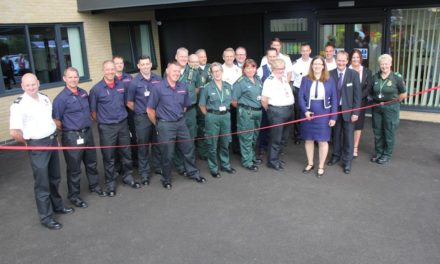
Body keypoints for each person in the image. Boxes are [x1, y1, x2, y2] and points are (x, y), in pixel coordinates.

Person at [10, 73, 74, 230]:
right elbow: (14, 132)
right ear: (22, 87)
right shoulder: (19, 104)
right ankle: (46, 217)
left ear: (38, 83)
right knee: (42, 182)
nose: (31, 87)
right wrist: (29, 142)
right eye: (28, 85)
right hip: (37, 145)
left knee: (55, 177)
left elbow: (50, 120)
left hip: (51, 141)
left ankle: (58, 207)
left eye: (33, 84)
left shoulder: (45, 98)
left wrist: (54, 137)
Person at [147, 61, 206, 189]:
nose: (176, 74)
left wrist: (177, 117)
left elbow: (185, 106)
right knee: (167, 154)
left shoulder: (182, 86)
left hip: (180, 123)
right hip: (165, 125)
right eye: (174, 71)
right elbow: (150, 110)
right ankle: (166, 179)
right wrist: (158, 124)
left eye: (178, 72)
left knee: (188, 149)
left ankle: (193, 173)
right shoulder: (158, 88)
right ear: (167, 71)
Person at [52, 67, 107, 209]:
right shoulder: (60, 99)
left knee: (91, 162)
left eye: (75, 77)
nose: (73, 80)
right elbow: (56, 120)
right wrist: (68, 130)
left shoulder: (83, 93)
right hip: (71, 136)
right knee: (74, 168)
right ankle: (74, 196)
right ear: (64, 79)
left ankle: (94, 186)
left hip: (87, 133)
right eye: (70, 77)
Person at [89, 60, 141, 197]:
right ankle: (110, 183)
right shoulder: (96, 89)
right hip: (106, 127)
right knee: (109, 156)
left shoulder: (121, 85)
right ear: (103, 70)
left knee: (126, 152)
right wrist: (103, 122)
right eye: (108, 69)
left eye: (112, 69)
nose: (111, 71)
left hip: (122, 124)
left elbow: (126, 103)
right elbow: (93, 112)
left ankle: (128, 176)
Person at [298, 56, 338, 177]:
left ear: (323, 66)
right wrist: (305, 111)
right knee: (308, 139)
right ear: (312, 66)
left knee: (322, 140)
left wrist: (333, 117)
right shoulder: (305, 79)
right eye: (314, 64)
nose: (317, 66)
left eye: (319, 64)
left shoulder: (330, 79)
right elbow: (300, 96)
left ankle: (321, 165)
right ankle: (310, 163)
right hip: (309, 113)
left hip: (324, 113)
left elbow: (335, 99)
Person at [127, 55, 162, 186]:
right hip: (142, 118)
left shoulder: (158, 79)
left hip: (157, 115)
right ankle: (144, 173)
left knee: (157, 143)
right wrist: (141, 110)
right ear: (138, 66)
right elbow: (129, 103)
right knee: (143, 145)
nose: (146, 66)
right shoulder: (134, 82)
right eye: (143, 64)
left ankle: (158, 167)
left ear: (151, 64)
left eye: (147, 64)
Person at [198, 62, 236, 178]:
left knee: (225, 142)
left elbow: (231, 101)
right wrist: (209, 116)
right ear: (211, 74)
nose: (216, 73)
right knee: (212, 143)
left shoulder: (228, 86)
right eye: (214, 71)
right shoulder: (207, 87)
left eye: (218, 71)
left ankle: (225, 164)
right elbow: (202, 105)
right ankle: (214, 168)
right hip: (212, 117)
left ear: (222, 71)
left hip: (225, 116)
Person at [327, 51, 361, 174]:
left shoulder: (354, 74)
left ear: (347, 61)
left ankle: (347, 161)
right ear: (336, 61)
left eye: (343, 60)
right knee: (336, 134)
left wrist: (356, 112)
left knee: (348, 137)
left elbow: (357, 95)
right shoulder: (330, 74)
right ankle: (335, 155)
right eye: (339, 60)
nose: (341, 63)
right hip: (334, 111)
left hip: (349, 111)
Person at [370, 54, 407, 164]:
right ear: (379, 65)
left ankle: (387, 154)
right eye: (382, 64)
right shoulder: (375, 77)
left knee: (389, 131)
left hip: (391, 108)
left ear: (390, 64)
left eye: (386, 64)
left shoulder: (396, 77)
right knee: (377, 131)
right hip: (377, 108)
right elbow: (372, 92)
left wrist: (393, 102)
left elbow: (403, 94)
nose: (384, 66)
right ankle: (379, 152)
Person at [261, 59, 295, 171]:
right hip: (277, 112)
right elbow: (264, 100)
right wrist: (271, 111)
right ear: (272, 69)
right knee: (276, 138)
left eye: (283, 68)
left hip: (288, 111)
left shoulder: (284, 78)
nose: (281, 71)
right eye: (279, 69)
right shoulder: (269, 81)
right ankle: (272, 161)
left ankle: (277, 157)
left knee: (284, 138)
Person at [173, 48, 203, 174]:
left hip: (190, 111)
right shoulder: (171, 71)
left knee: (190, 138)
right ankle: (179, 166)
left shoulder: (193, 71)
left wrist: (188, 100)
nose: (184, 59)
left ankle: (189, 164)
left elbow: (196, 89)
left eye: (186, 56)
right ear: (176, 56)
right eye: (181, 56)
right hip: (176, 113)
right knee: (177, 138)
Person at [232, 59, 263, 172]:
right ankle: (247, 162)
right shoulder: (240, 82)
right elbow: (234, 101)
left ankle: (252, 157)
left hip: (258, 112)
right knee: (246, 137)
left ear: (256, 68)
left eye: (253, 67)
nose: (250, 70)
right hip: (246, 113)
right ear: (244, 69)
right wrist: (244, 109)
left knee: (254, 136)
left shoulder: (258, 80)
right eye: (248, 67)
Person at [113, 56, 138, 169]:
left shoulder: (129, 78)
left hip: (130, 111)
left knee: (133, 135)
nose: (119, 65)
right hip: (117, 112)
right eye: (117, 63)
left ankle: (135, 160)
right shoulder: (110, 79)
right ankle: (119, 164)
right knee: (118, 138)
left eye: (121, 63)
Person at [349, 49, 373, 158]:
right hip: (347, 102)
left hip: (361, 103)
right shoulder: (346, 70)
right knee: (347, 125)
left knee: (358, 126)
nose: (355, 59)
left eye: (357, 57)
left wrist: (358, 98)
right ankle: (347, 146)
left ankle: (355, 148)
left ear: (361, 59)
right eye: (353, 57)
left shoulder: (367, 72)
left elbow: (368, 88)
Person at [256, 48, 278, 156]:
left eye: (274, 56)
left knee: (275, 127)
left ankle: (273, 148)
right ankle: (262, 147)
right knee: (264, 126)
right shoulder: (261, 69)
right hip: (265, 102)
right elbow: (258, 85)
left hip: (276, 103)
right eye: (270, 56)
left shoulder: (280, 69)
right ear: (267, 57)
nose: (272, 58)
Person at [292, 43, 313, 144]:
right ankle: (298, 136)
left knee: (311, 111)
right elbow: (292, 79)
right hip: (298, 89)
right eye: (303, 51)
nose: (305, 52)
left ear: (310, 51)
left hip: (311, 90)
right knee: (298, 112)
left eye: (306, 50)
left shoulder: (314, 62)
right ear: (300, 51)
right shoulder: (295, 63)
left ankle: (311, 135)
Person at [222, 47, 242, 155]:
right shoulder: (219, 69)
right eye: (227, 56)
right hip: (223, 103)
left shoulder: (239, 70)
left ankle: (235, 148)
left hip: (236, 103)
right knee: (225, 127)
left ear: (234, 57)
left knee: (235, 125)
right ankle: (225, 149)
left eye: (231, 56)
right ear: (223, 57)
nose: (229, 58)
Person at [195, 49, 211, 161]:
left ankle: (210, 150)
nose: (203, 58)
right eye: (201, 57)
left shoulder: (211, 67)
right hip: (198, 105)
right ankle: (202, 152)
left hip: (211, 104)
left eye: (204, 56)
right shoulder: (193, 70)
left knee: (209, 128)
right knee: (201, 129)